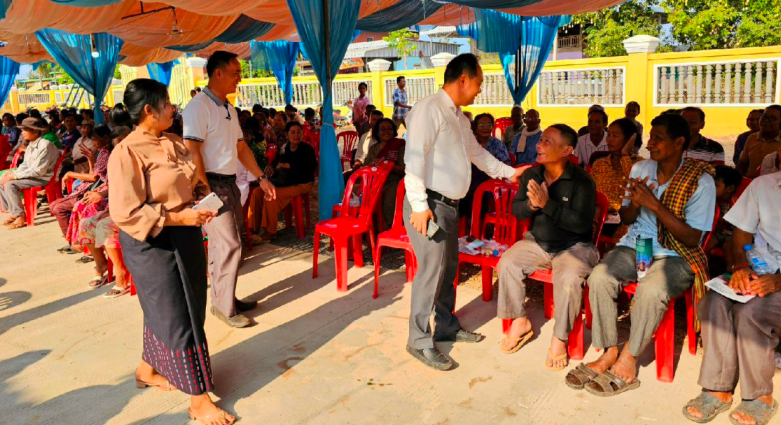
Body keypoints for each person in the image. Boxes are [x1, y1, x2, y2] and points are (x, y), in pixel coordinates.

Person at [108, 78, 235, 425]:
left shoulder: (172, 141)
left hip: (186, 234)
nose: (173, 107)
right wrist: (180, 216)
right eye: (167, 103)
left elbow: (189, 179)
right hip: (152, 243)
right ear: (149, 110)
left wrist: (199, 196)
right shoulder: (127, 152)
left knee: (176, 307)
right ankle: (198, 399)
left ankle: (146, 369)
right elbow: (125, 212)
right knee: (179, 316)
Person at [566, 113, 716, 396]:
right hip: (639, 245)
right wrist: (635, 204)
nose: (650, 144)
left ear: (679, 142)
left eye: (658, 138)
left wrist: (655, 205)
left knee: (651, 289)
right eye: (650, 136)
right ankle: (609, 350)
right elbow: (625, 215)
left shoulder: (700, 181)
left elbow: (692, 237)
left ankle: (630, 358)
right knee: (599, 277)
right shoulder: (640, 169)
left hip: (676, 253)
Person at [403, 53, 526, 371]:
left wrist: (508, 173)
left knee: (447, 271)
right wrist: (418, 206)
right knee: (430, 272)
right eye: (479, 82)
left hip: (448, 206)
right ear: (462, 80)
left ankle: (446, 326)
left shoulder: (458, 117)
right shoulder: (428, 110)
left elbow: (476, 153)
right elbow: (414, 159)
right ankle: (418, 340)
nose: (479, 90)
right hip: (428, 205)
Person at [183, 51, 276, 329]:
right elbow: (192, 150)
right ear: (218, 73)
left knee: (227, 245)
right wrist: (203, 191)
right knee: (229, 244)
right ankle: (224, 307)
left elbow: (240, 148)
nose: (239, 77)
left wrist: (261, 178)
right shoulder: (199, 107)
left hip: (230, 183)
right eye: (235, 72)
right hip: (210, 184)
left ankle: (226, 298)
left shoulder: (228, 108)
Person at [682, 171, 781, 425]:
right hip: (756, 268)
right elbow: (742, 233)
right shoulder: (763, 185)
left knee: (750, 313)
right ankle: (718, 389)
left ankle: (760, 397)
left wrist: (778, 281)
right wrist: (740, 266)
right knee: (713, 302)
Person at [497, 124, 598, 370]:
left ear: (566, 150)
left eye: (546, 142)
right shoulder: (533, 175)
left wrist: (547, 204)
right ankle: (520, 320)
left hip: (574, 246)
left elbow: (581, 224)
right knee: (507, 262)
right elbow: (517, 208)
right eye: (540, 140)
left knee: (570, 279)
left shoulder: (582, 181)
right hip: (538, 242)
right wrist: (532, 206)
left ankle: (560, 337)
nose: (539, 146)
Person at [250, 121, 317, 243]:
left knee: (271, 194)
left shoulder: (307, 149)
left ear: (302, 134)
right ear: (286, 135)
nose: (296, 135)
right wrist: (270, 168)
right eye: (292, 132)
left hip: (302, 183)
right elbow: (275, 164)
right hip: (284, 182)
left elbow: (309, 169)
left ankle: (270, 232)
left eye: (298, 132)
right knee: (257, 192)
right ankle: (253, 228)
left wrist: (288, 166)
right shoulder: (283, 148)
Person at [50, 124, 112, 250]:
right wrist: (90, 159)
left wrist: (70, 173)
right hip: (96, 187)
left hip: (102, 189)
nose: (93, 142)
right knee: (54, 205)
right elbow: (94, 174)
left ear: (106, 138)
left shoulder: (106, 152)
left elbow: (94, 177)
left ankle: (79, 243)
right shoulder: (101, 152)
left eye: (95, 139)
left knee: (63, 207)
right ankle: (74, 240)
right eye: (92, 139)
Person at [0, 117, 60, 229]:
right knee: (2, 178)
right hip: (34, 174)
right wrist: (12, 173)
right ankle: (13, 212)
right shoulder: (31, 144)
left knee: (10, 184)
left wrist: (14, 176)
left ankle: (20, 216)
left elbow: (38, 171)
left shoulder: (45, 145)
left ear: (35, 131)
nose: (22, 133)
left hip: (43, 177)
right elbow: (25, 165)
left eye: (25, 130)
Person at [589, 118, 642, 240]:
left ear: (628, 139)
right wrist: (595, 206)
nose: (609, 139)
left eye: (615, 135)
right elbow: (590, 191)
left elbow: (636, 185)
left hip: (628, 219)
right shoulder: (600, 163)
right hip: (601, 217)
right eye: (608, 135)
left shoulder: (640, 164)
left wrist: (625, 155)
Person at [459, 113, 510, 225]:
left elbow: (504, 165)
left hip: (491, 183)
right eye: (481, 125)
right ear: (475, 127)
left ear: (492, 126)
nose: (485, 128)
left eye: (488, 124)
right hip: (469, 181)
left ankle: (474, 222)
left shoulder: (497, 144)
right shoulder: (470, 142)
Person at [360, 118, 405, 228]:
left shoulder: (400, 145)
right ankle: (365, 226)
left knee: (390, 195)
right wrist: (374, 164)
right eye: (383, 129)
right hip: (374, 181)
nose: (386, 131)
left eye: (389, 128)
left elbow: (404, 169)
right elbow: (365, 166)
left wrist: (389, 165)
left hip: (392, 181)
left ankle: (390, 227)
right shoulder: (374, 147)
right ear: (377, 132)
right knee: (354, 191)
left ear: (394, 131)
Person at [705, 165, 743, 275]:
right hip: (715, 232)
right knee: (705, 247)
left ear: (730, 188)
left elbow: (737, 224)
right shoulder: (708, 199)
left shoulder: (736, 202)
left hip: (732, 234)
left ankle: (730, 274)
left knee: (729, 250)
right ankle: (704, 274)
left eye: (715, 185)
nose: (710, 187)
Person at [738, 104, 781, 178]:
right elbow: (742, 163)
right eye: (764, 117)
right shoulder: (752, 138)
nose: (766, 121)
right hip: (751, 185)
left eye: (772, 118)